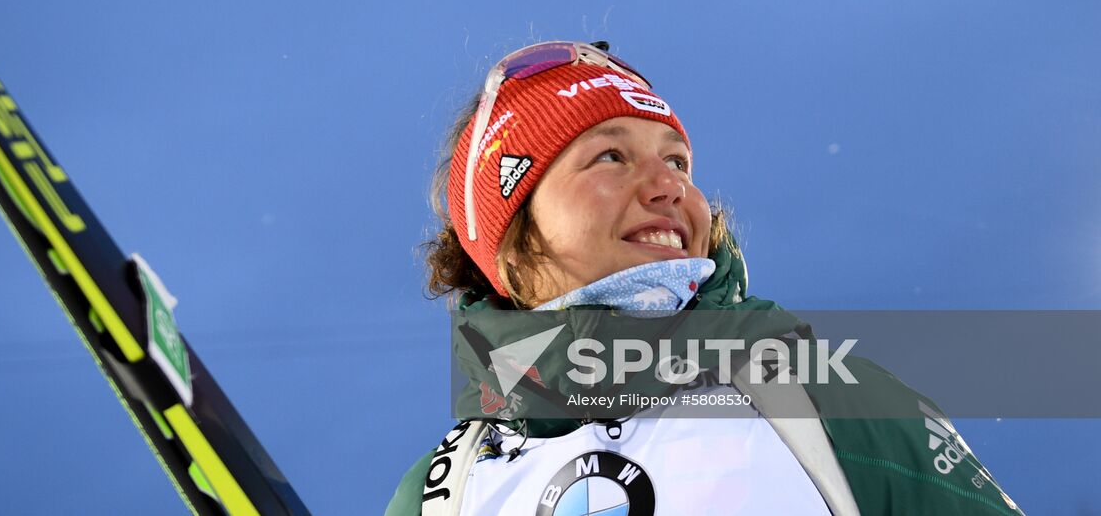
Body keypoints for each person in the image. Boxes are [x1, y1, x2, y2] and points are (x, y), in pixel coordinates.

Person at [385, 40, 1021, 516]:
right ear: (514, 248)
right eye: (610, 156)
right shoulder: (446, 492)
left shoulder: (820, 398)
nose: (671, 188)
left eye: (677, 161)